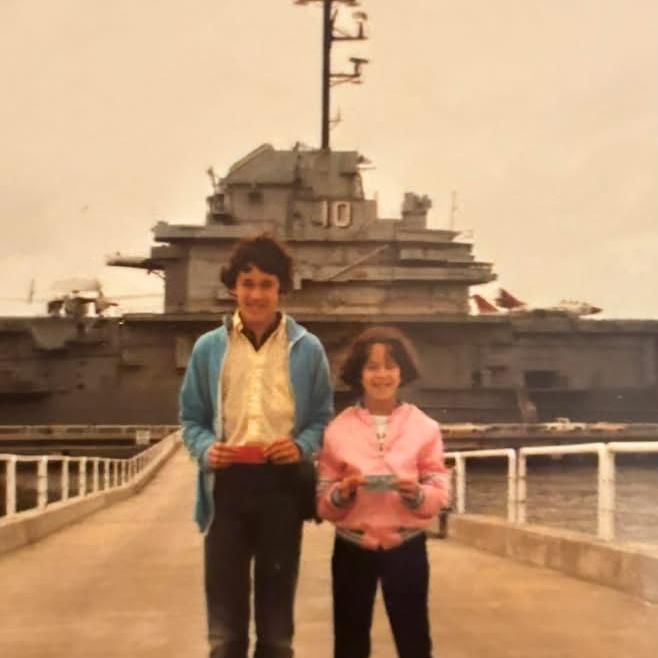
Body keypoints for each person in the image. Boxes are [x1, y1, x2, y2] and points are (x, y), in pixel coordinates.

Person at [179, 234, 334, 658]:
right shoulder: (209, 348)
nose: (257, 293)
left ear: (281, 289)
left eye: (267, 284)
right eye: (248, 283)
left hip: (281, 487)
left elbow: (322, 418)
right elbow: (190, 418)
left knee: (277, 630)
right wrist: (207, 448)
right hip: (225, 487)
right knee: (225, 632)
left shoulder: (308, 349)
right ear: (234, 288)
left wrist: (301, 446)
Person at [317, 327, 449, 658]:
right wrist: (341, 494)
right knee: (349, 641)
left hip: (406, 545)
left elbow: (438, 489)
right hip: (352, 546)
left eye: (390, 365)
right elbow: (322, 501)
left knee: (414, 639)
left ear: (402, 371)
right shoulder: (337, 430)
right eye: (372, 367)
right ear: (358, 374)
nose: (382, 375)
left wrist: (416, 494)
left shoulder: (425, 428)